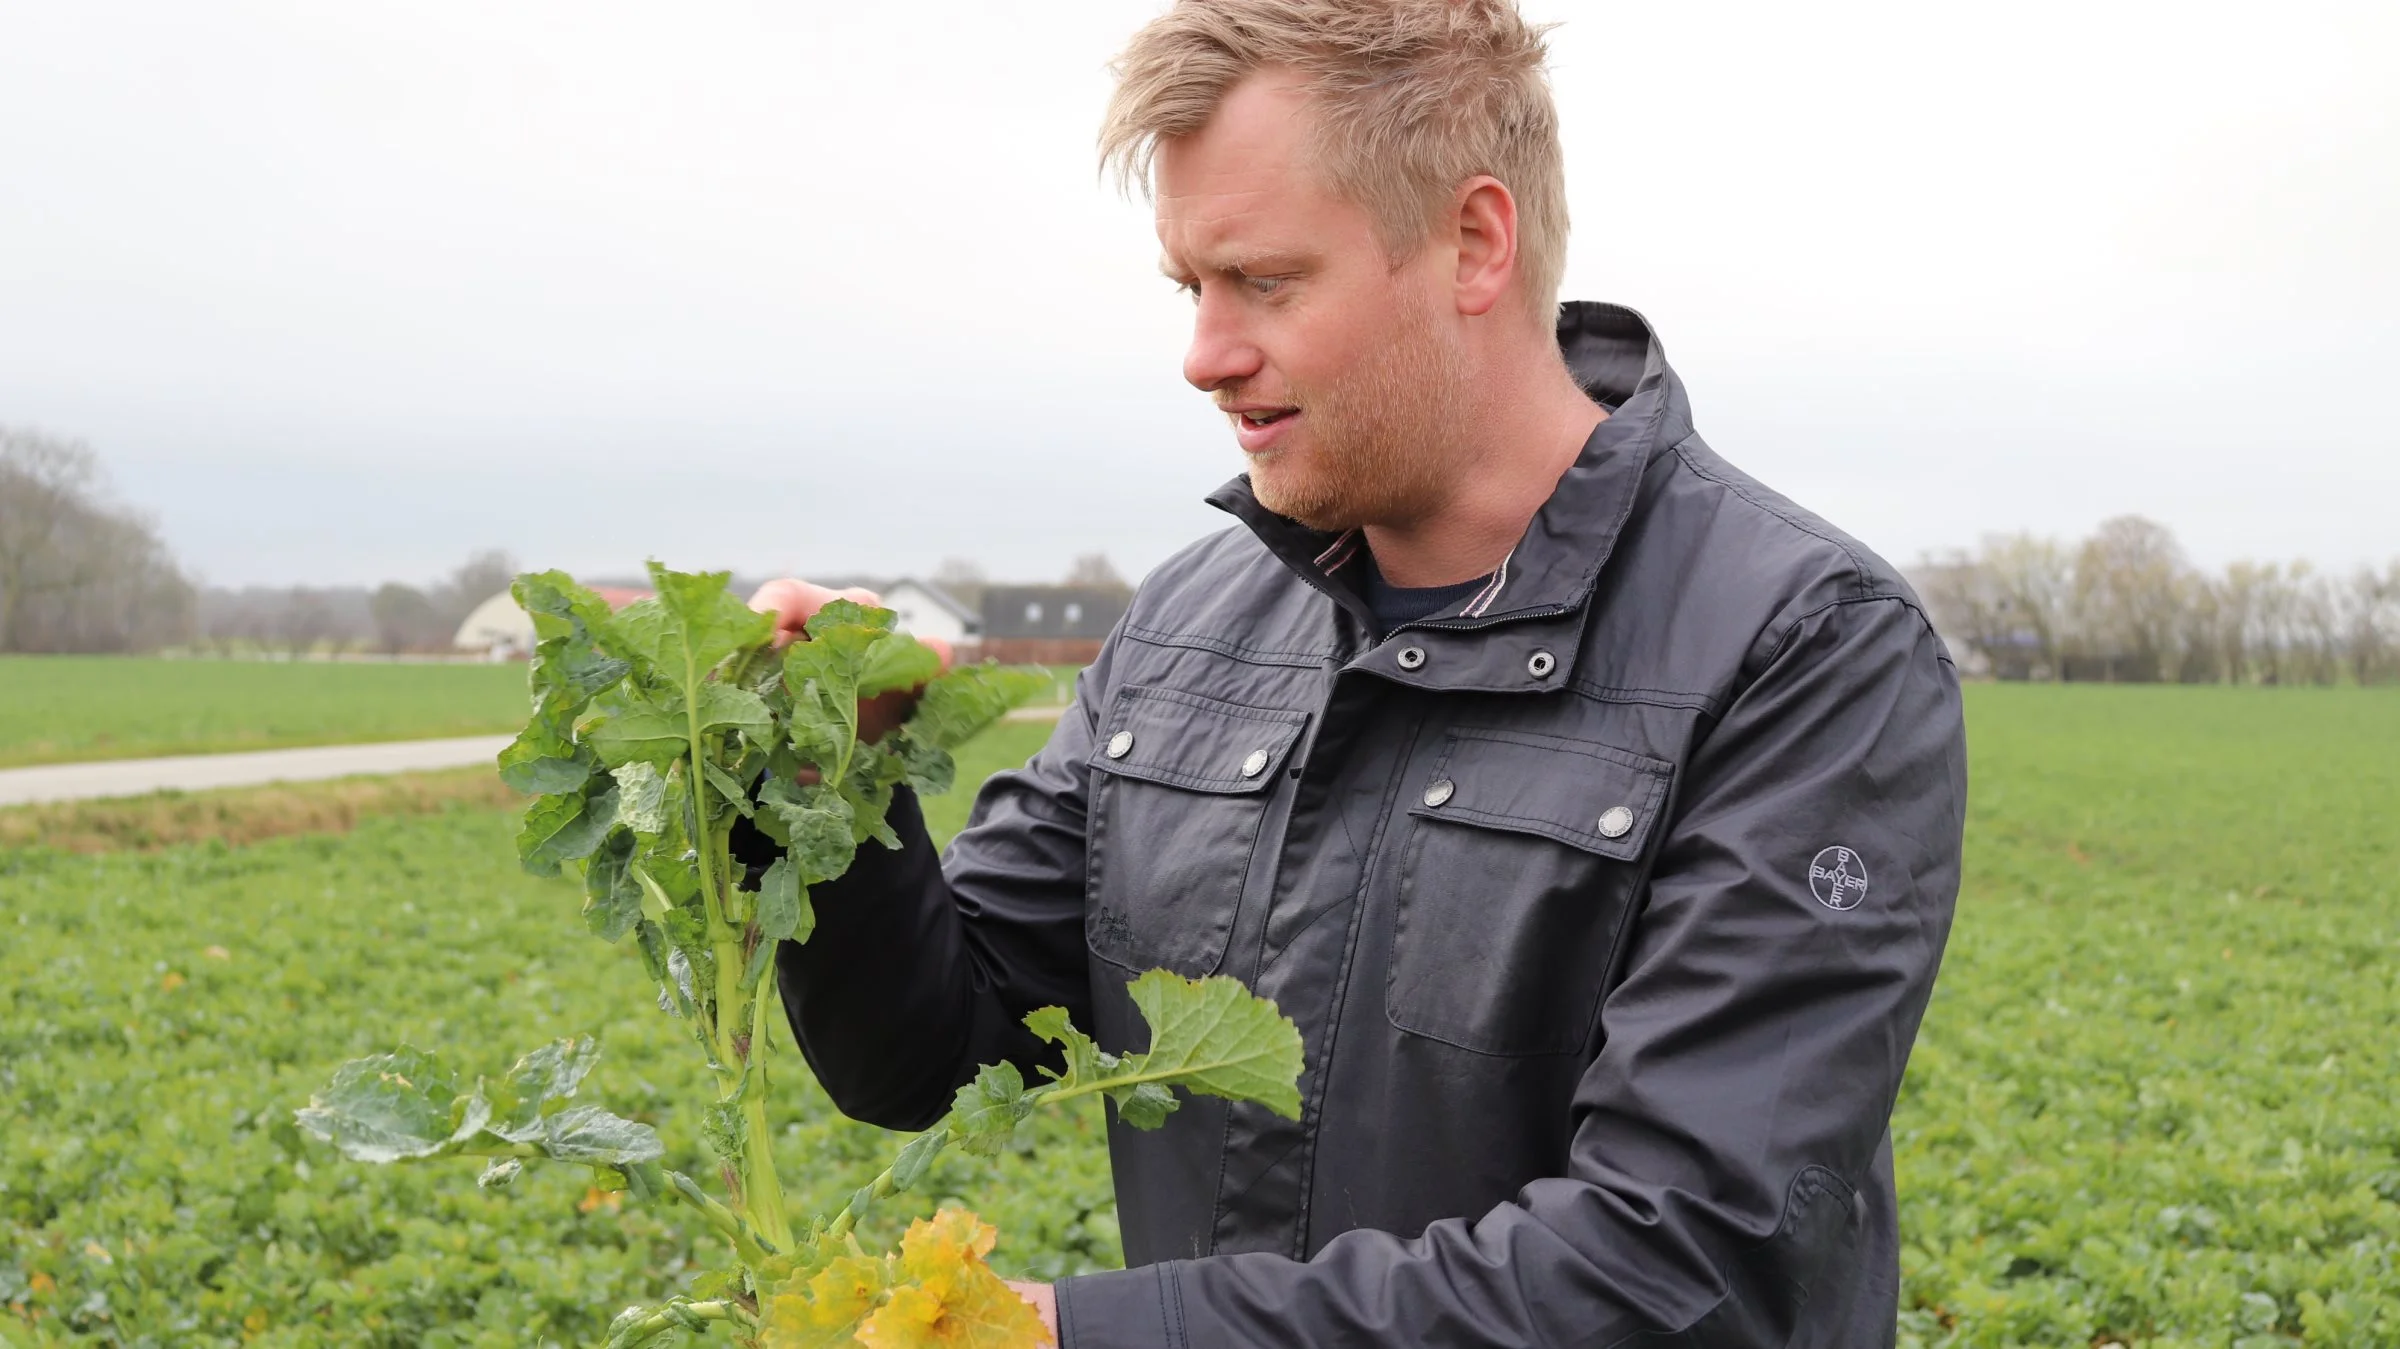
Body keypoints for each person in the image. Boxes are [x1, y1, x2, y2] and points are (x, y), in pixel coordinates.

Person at [746, 2, 1966, 1343]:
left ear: (1473, 244)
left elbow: (1679, 1263)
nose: (1205, 354)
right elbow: (925, 1047)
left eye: (1263, 281)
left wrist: (1084, 1337)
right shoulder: (1189, 626)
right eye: (1189, 287)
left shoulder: (1798, 646)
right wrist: (836, 790)